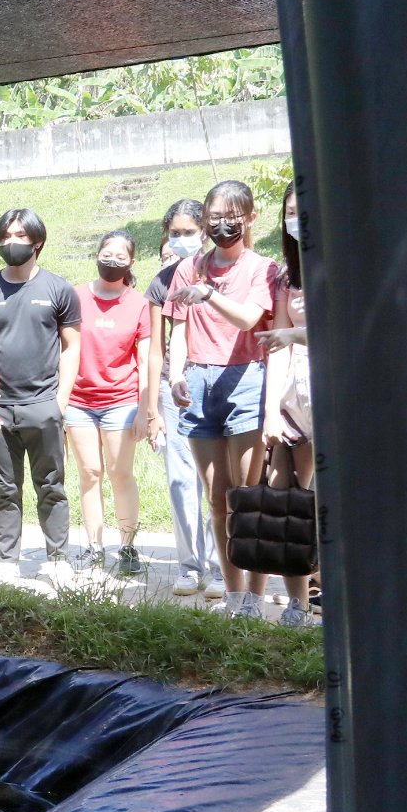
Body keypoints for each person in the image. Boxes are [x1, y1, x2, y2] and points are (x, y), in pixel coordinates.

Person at [0, 208, 81, 588]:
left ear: (38, 242)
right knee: (5, 489)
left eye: (21, 235)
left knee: (52, 486)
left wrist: (60, 401)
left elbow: (71, 347)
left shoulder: (59, 289)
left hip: (45, 405)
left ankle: (57, 558)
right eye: (6, 235)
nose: (12, 242)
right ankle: (7, 560)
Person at [166, 180, 277, 619]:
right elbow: (177, 326)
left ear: (250, 219)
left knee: (248, 496)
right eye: (214, 217)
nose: (222, 225)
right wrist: (176, 374)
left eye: (232, 217)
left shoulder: (260, 267)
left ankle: (255, 593)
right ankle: (233, 597)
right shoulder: (188, 266)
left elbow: (251, 318)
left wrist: (210, 293)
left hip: (246, 379)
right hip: (199, 382)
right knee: (218, 499)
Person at [145, 201, 224, 599]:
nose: (181, 240)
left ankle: (221, 566)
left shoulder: (227, 271)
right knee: (180, 480)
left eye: (188, 232)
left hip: (222, 381)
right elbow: (157, 346)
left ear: (205, 231)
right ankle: (189, 566)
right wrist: (152, 408)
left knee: (217, 481)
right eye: (174, 233)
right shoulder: (163, 282)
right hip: (174, 388)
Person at [65, 229, 151, 579]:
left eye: (120, 257)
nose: (111, 261)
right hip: (78, 400)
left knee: (119, 473)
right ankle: (94, 545)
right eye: (106, 253)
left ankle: (127, 546)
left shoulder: (139, 303)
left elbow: (145, 361)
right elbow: (62, 348)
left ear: (131, 262)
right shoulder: (75, 296)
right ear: (97, 254)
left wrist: (147, 410)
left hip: (121, 401)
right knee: (89, 474)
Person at [256, 184, 316, 627]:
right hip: (295, 394)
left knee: (320, 498)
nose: (297, 220)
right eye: (290, 212)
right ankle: (297, 601)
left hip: (336, 394)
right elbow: (275, 344)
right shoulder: (285, 274)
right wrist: (270, 411)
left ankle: (330, 593)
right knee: (284, 498)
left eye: (305, 212)